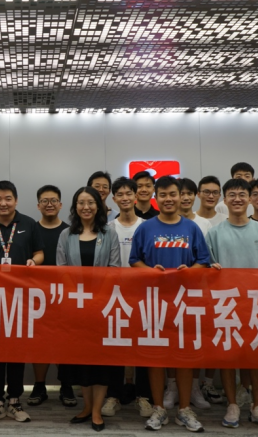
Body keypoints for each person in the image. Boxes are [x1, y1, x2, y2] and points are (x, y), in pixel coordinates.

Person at [130, 176, 210, 433]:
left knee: (184, 358)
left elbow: (203, 261)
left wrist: (190, 271)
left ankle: (184, 409)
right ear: (156, 197)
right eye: (162, 195)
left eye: (173, 194)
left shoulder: (191, 228)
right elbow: (134, 261)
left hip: (185, 302)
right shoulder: (145, 228)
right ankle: (159, 409)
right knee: (156, 357)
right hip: (153, 302)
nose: (168, 199)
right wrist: (150, 271)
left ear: (181, 196)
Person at [206, 179, 258, 431]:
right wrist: (210, 268)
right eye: (232, 195)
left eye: (242, 194)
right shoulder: (214, 233)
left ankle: (257, 406)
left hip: (257, 302)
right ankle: (232, 405)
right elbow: (206, 265)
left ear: (249, 199)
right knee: (228, 356)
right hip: (226, 303)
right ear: (224, 200)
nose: (237, 199)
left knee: (257, 357)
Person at [0, 180, 44, 425]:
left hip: (21, 299)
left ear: (16, 200)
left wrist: (34, 261)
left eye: (8, 198)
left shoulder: (29, 224)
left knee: (16, 350)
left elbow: (39, 253)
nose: (3, 203)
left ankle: (14, 400)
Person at [56, 186, 121, 432]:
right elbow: (62, 270)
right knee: (81, 359)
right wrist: (79, 298)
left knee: (100, 361)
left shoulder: (109, 233)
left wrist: (96, 298)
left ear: (98, 206)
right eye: (81, 203)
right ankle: (86, 406)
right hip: (75, 307)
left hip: (102, 306)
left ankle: (96, 411)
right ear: (75, 207)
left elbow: (114, 269)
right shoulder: (66, 235)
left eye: (91, 202)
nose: (86, 207)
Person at [104, 177, 147, 415]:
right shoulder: (108, 228)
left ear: (136, 196)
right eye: (119, 194)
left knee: (143, 346)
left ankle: (144, 396)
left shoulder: (147, 226)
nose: (125, 198)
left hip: (142, 295)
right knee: (115, 347)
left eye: (129, 193)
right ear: (114, 199)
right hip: (115, 296)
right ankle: (113, 395)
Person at [28, 184, 74, 408]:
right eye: (44, 201)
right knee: (39, 342)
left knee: (64, 342)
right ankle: (39, 385)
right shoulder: (30, 230)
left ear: (61, 205)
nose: (49, 204)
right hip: (36, 295)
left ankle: (66, 385)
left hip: (64, 296)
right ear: (38, 205)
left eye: (53, 200)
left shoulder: (70, 231)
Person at [176, 178, 219, 409]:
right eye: (180, 193)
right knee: (171, 341)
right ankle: (172, 387)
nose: (185, 198)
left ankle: (193, 388)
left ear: (196, 196)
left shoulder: (204, 224)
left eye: (189, 193)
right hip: (169, 293)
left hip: (197, 293)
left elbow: (208, 259)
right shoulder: (163, 223)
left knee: (193, 342)